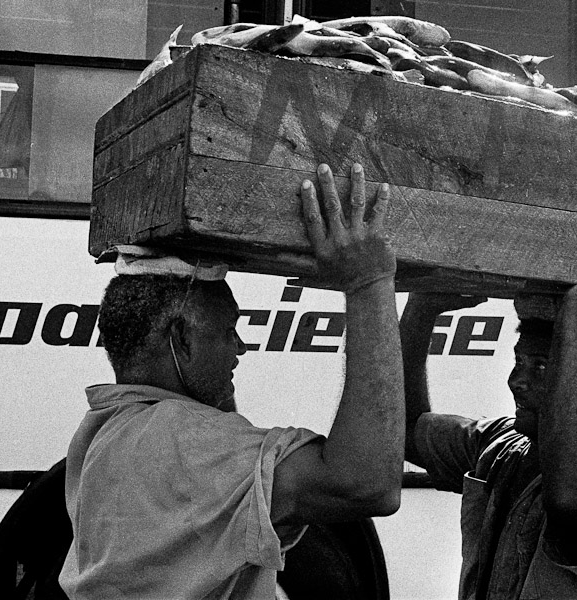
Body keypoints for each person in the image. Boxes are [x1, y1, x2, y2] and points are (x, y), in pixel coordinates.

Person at [59, 163, 405, 599]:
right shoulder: (185, 444)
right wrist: (367, 282)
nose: (240, 347)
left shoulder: (107, 433)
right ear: (181, 339)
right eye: (227, 331)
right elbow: (367, 483)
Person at [400, 231, 577, 599]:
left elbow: (574, 499)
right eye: (518, 362)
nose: (515, 381)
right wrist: (420, 310)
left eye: (542, 368)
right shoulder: (503, 448)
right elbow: (401, 429)